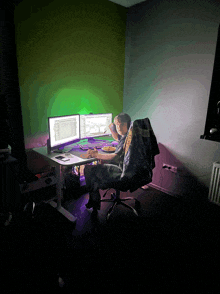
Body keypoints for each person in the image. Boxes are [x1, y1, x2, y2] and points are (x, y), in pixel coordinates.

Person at [84, 113, 131, 210]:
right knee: (97, 168)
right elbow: (118, 138)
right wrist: (112, 128)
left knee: (88, 169)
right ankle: (95, 198)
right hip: (129, 169)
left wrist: (96, 155)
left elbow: (114, 158)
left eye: (119, 124)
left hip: (123, 172)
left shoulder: (126, 138)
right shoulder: (129, 135)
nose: (117, 127)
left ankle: (95, 199)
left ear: (125, 124)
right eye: (116, 124)